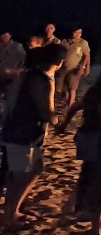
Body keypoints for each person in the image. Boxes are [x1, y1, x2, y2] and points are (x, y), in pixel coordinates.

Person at [2, 44, 64, 230]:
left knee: (34, 169)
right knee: (20, 175)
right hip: (23, 133)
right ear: (60, 63)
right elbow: (46, 112)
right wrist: (58, 121)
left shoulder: (27, 75)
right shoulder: (43, 80)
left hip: (16, 130)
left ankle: (13, 211)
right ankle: (9, 218)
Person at [54, 63, 101, 234]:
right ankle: (95, 226)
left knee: (88, 172)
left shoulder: (94, 91)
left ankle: (70, 206)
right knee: (98, 179)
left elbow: (75, 106)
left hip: (86, 137)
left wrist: (64, 126)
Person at [58, 28, 92, 105]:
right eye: (76, 32)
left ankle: (70, 105)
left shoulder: (83, 42)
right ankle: (68, 102)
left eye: (80, 33)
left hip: (76, 68)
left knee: (72, 88)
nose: (78, 34)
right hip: (64, 68)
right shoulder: (64, 42)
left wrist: (86, 67)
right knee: (64, 88)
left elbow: (87, 56)